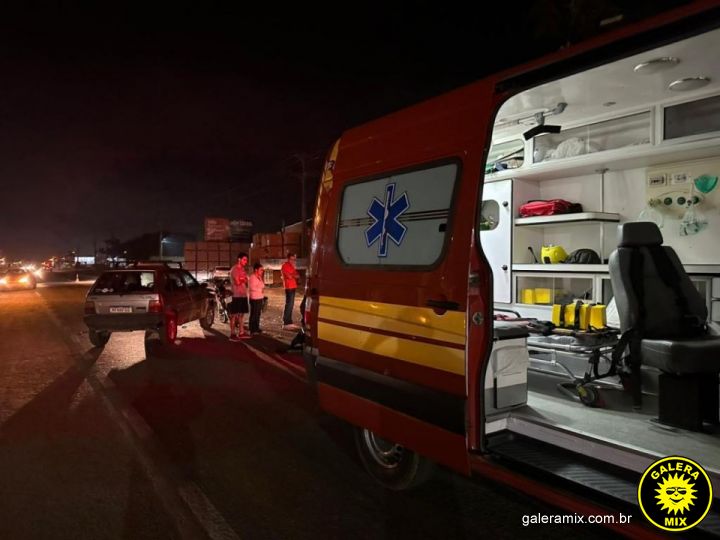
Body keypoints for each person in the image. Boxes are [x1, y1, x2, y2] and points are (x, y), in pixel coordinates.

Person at [228, 252, 250, 340]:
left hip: (243, 295)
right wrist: (243, 279)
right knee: (233, 315)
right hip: (236, 295)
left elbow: (246, 280)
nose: (246, 262)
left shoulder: (243, 269)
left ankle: (241, 332)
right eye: (244, 260)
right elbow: (237, 282)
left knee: (241, 315)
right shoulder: (234, 269)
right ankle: (232, 334)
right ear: (239, 259)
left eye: (246, 260)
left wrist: (243, 279)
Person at [281, 252, 300, 329]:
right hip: (289, 287)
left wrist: (293, 275)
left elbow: (298, 276)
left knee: (291, 305)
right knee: (289, 304)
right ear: (288, 259)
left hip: (293, 286)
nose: (293, 261)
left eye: (294, 259)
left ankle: (289, 322)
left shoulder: (292, 266)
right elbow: (289, 276)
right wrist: (293, 275)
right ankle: (286, 322)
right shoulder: (285, 266)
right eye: (291, 259)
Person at [248, 262, 265, 335]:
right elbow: (252, 288)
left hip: (260, 297)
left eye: (262, 270)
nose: (262, 271)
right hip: (254, 298)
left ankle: (256, 328)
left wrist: (261, 290)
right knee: (254, 314)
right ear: (256, 270)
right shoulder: (252, 277)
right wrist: (260, 289)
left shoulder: (259, 277)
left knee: (258, 314)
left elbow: (262, 285)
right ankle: (252, 329)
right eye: (261, 270)